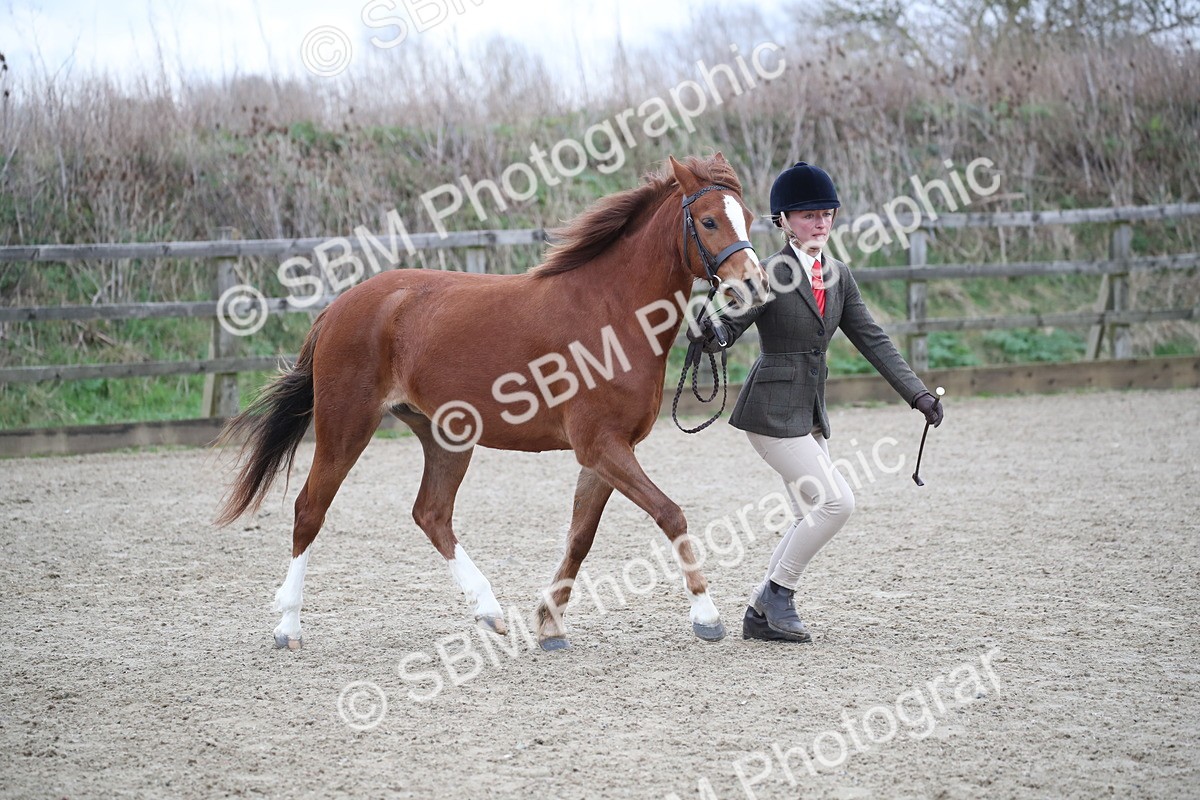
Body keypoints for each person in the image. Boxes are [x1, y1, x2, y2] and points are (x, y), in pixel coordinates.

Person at [690, 161, 944, 643]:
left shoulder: (838, 275)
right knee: (836, 503)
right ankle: (776, 597)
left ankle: (762, 615)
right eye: (808, 215)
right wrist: (711, 333)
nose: (821, 222)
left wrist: (918, 394)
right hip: (768, 414)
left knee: (816, 510)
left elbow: (873, 339)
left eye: (826, 213)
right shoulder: (771, 272)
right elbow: (732, 325)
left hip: (807, 416)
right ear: (783, 220)